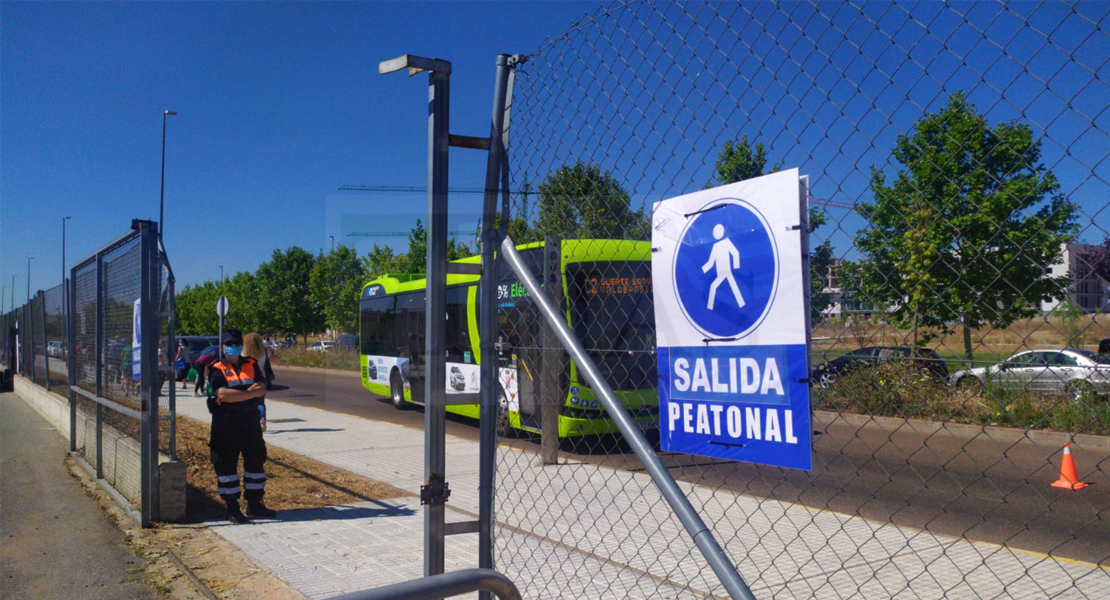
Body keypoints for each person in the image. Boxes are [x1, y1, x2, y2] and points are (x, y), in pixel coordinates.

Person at [207, 329, 276, 524]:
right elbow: (222, 394)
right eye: (230, 344)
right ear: (223, 346)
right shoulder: (216, 368)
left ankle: (255, 504)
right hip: (226, 423)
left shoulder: (251, 364)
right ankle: (232, 508)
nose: (234, 347)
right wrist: (249, 393)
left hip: (249, 421)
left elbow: (262, 387)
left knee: (256, 461)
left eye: (237, 343)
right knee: (226, 465)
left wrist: (237, 394)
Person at [243, 332, 272, 432]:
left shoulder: (243, 352)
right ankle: (262, 419)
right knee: (260, 402)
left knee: (246, 401)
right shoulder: (264, 351)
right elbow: (273, 356)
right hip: (261, 379)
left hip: (248, 379)